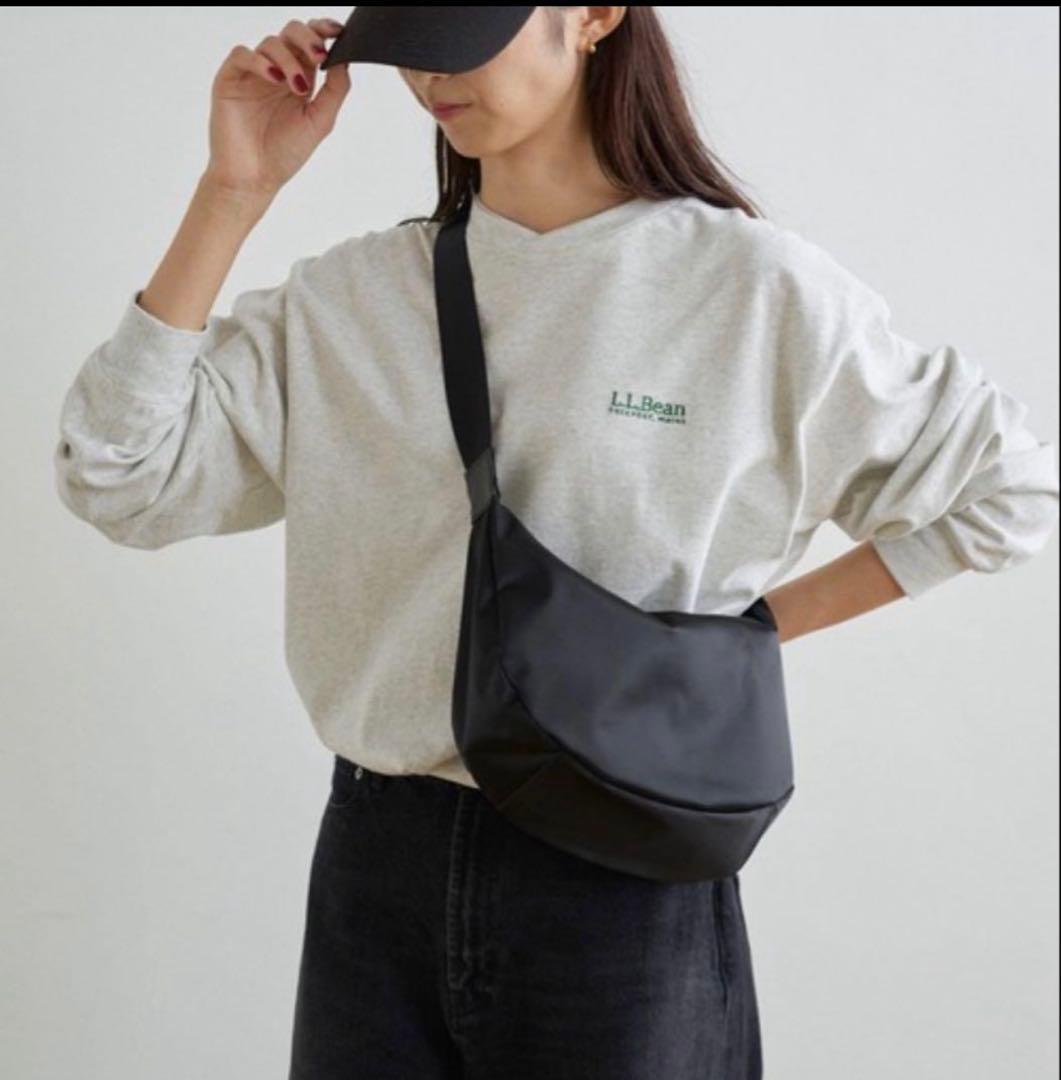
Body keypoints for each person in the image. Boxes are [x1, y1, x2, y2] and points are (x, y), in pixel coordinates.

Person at [52, 8, 1059, 1079]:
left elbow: (1007, 489)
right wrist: (234, 192)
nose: (430, 72)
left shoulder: (749, 291)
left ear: (593, 16)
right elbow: (119, 476)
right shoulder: (348, 301)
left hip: (621, 881)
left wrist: (745, 633)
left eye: (465, 25)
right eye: (411, 35)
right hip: (375, 869)